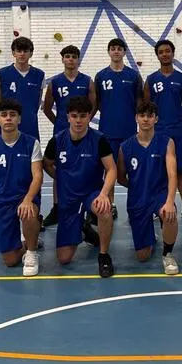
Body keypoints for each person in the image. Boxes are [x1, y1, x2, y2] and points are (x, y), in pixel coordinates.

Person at [43, 96, 116, 278]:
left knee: (105, 210)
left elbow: (111, 169)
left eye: (83, 116)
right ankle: (85, 231)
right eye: (74, 116)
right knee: (64, 259)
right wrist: (61, 178)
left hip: (92, 193)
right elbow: (47, 164)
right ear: (68, 117)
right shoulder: (56, 141)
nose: (78, 120)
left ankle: (104, 255)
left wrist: (104, 194)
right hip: (69, 197)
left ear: (89, 116)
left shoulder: (99, 140)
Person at [0, 100, 43, 276]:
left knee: (29, 212)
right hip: (3, 202)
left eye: (12, 115)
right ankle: (29, 241)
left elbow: (38, 176)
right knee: (10, 261)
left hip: (25, 197)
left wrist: (28, 199)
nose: (8, 118)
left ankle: (32, 252)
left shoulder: (31, 143)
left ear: (19, 119)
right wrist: (1, 190)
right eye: (4, 115)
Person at [117, 99, 179, 274]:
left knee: (169, 214)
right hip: (138, 198)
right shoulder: (125, 147)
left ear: (156, 119)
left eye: (150, 116)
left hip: (160, 194)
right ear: (136, 118)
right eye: (142, 115)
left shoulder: (167, 142)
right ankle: (150, 236)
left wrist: (170, 201)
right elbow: (121, 177)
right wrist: (137, 186)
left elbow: (172, 175)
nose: (146, 119)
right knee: (142, 256)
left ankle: (168, 254)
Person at [0, 36, 45, 232]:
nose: (22, 54)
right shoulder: (2, 74)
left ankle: (34, 213)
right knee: (4, 172)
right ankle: (1, 212)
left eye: (25, 50)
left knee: (33, 173)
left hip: (30, 130)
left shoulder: (39, 75)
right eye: (18, 50)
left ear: (31, 53)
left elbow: (37, 103)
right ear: (13, 53)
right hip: (7, 133)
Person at [41, 44, 96, 227]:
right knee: (60, 169)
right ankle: (57, 208)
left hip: (83, 133)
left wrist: (84, 122)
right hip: (62, 132)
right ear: (63, 59)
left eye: (74, 56)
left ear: (78, 59)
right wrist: (59, 123)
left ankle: (88, 209)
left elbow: (94, 105)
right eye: (67, 56)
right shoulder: (55, 82)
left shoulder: (87, 81)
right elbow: (46, 108)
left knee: (85, 168)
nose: (71, 59)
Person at [144, 39, 182, 221]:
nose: (165, 54)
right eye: (161, 52)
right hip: (157, 132)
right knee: (157, 170)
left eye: (168, 51)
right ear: (157, 55)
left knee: (181, 169)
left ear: (173, 53)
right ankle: (156, 206)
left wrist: (176, 119)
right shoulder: (151, 79)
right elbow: (146, 108)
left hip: (178, 131)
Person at [94, 37, 143, 218]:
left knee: (133, 171)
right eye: (113, 48)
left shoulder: (133, 76)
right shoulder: (100, 76)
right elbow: (98, 102)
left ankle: (136, 204)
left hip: (129, 132)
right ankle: (111, 204)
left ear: (124, 52)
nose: (116, 51)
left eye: (119, 48)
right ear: (109, 51)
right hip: (107, 132)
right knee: (109, 171)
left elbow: (139, 102)